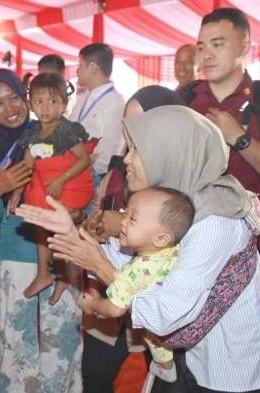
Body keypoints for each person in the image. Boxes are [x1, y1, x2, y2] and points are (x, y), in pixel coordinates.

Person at [17, 105, 260, 393]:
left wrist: (100, 266)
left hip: (232, 369)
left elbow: (165, 312)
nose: (127, 159)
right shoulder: (175, 202)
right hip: (195, 357)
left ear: (172, 155)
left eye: (136, 150)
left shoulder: (214, 222)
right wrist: (72, 233)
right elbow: (139, 266)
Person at [0, 68, 82, 392]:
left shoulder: (58, 135)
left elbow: (86, 197)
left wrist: (67, 265)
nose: (10, 108)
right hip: (13, 266)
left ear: (26, 97)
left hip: (61, 259)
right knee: (16, 354)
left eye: (15, 98)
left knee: (62, 351)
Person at [81, 85, 186, 393]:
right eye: (129, 126)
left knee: (165, 380)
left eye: (145, 125)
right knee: (94, 374)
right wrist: (97, 228)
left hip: (154, 312)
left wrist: (125, 229)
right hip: (111, 295)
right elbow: (100, 212)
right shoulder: (120, 166)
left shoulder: (189, 189)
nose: (133, 136)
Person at [187, 8, 260, 226]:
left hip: (246, 244)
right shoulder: (186, 97)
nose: (207, 55)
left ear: (244, 47)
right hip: (183, 235)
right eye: (201, 47)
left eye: (218, 44)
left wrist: (240, 139)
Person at [79, 187, 195, 385]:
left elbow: (115, 308)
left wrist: (94, 306)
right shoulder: (179, 248)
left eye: (132, 219)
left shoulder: (135, 273)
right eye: (126, 213)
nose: (122, 221)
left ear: (160, 238)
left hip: (158, 329)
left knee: (153, 339)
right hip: (181, 326)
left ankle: (166, 368)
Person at [7, 73, 93, 304]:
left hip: (69, 185)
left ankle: (66, 275)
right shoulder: (32, 134)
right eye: (39, 101)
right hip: (47, 188)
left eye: (53, 101)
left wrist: (61, 179)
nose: (46, 108)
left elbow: (83, 160)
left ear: (65, 104)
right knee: (40, 227)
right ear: (31, 103)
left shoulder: (68, 130)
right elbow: (27, 166)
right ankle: (44, 274)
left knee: (61, 230)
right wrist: (16, 193)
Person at [68, 43, 125, 177]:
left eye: (80, 65)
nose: (77, 71)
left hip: (94, 177)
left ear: (93, 68)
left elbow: (110, 152)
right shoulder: (83, 97)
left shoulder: (116, 103)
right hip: (71, 172)